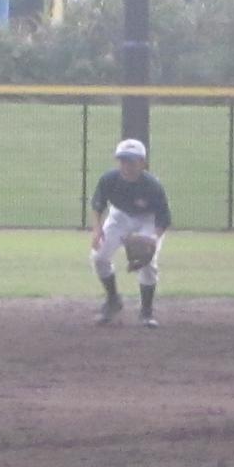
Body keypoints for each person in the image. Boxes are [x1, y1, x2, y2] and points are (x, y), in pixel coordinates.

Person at [90, 139, 172, 328]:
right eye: (123, 160)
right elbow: (98, 204)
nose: (126, 165)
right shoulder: (109, 179)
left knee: (148, 263)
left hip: (148, 220)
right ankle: (113, 300)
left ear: (142, 162)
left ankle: (146, 312)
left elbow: (164, 218)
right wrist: (97, 229)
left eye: (131, 161)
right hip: (119, 217)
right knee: (99, 257)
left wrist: (153, 240)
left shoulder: (152, 186)